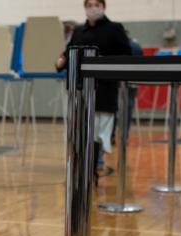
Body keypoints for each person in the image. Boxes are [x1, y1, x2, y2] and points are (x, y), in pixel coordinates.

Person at [56, 0, 132, 185]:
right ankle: (82, 169)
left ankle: (93, 169)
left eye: (97, 4)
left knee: (97, 133)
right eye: (89, 4)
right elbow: (68, 53)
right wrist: (60, 61)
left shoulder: (114, 29)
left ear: (103, 7)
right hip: (79, 89)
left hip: (104, 90)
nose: (93, 8)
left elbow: (126, 54)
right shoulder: (79, 31)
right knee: (81, 131)